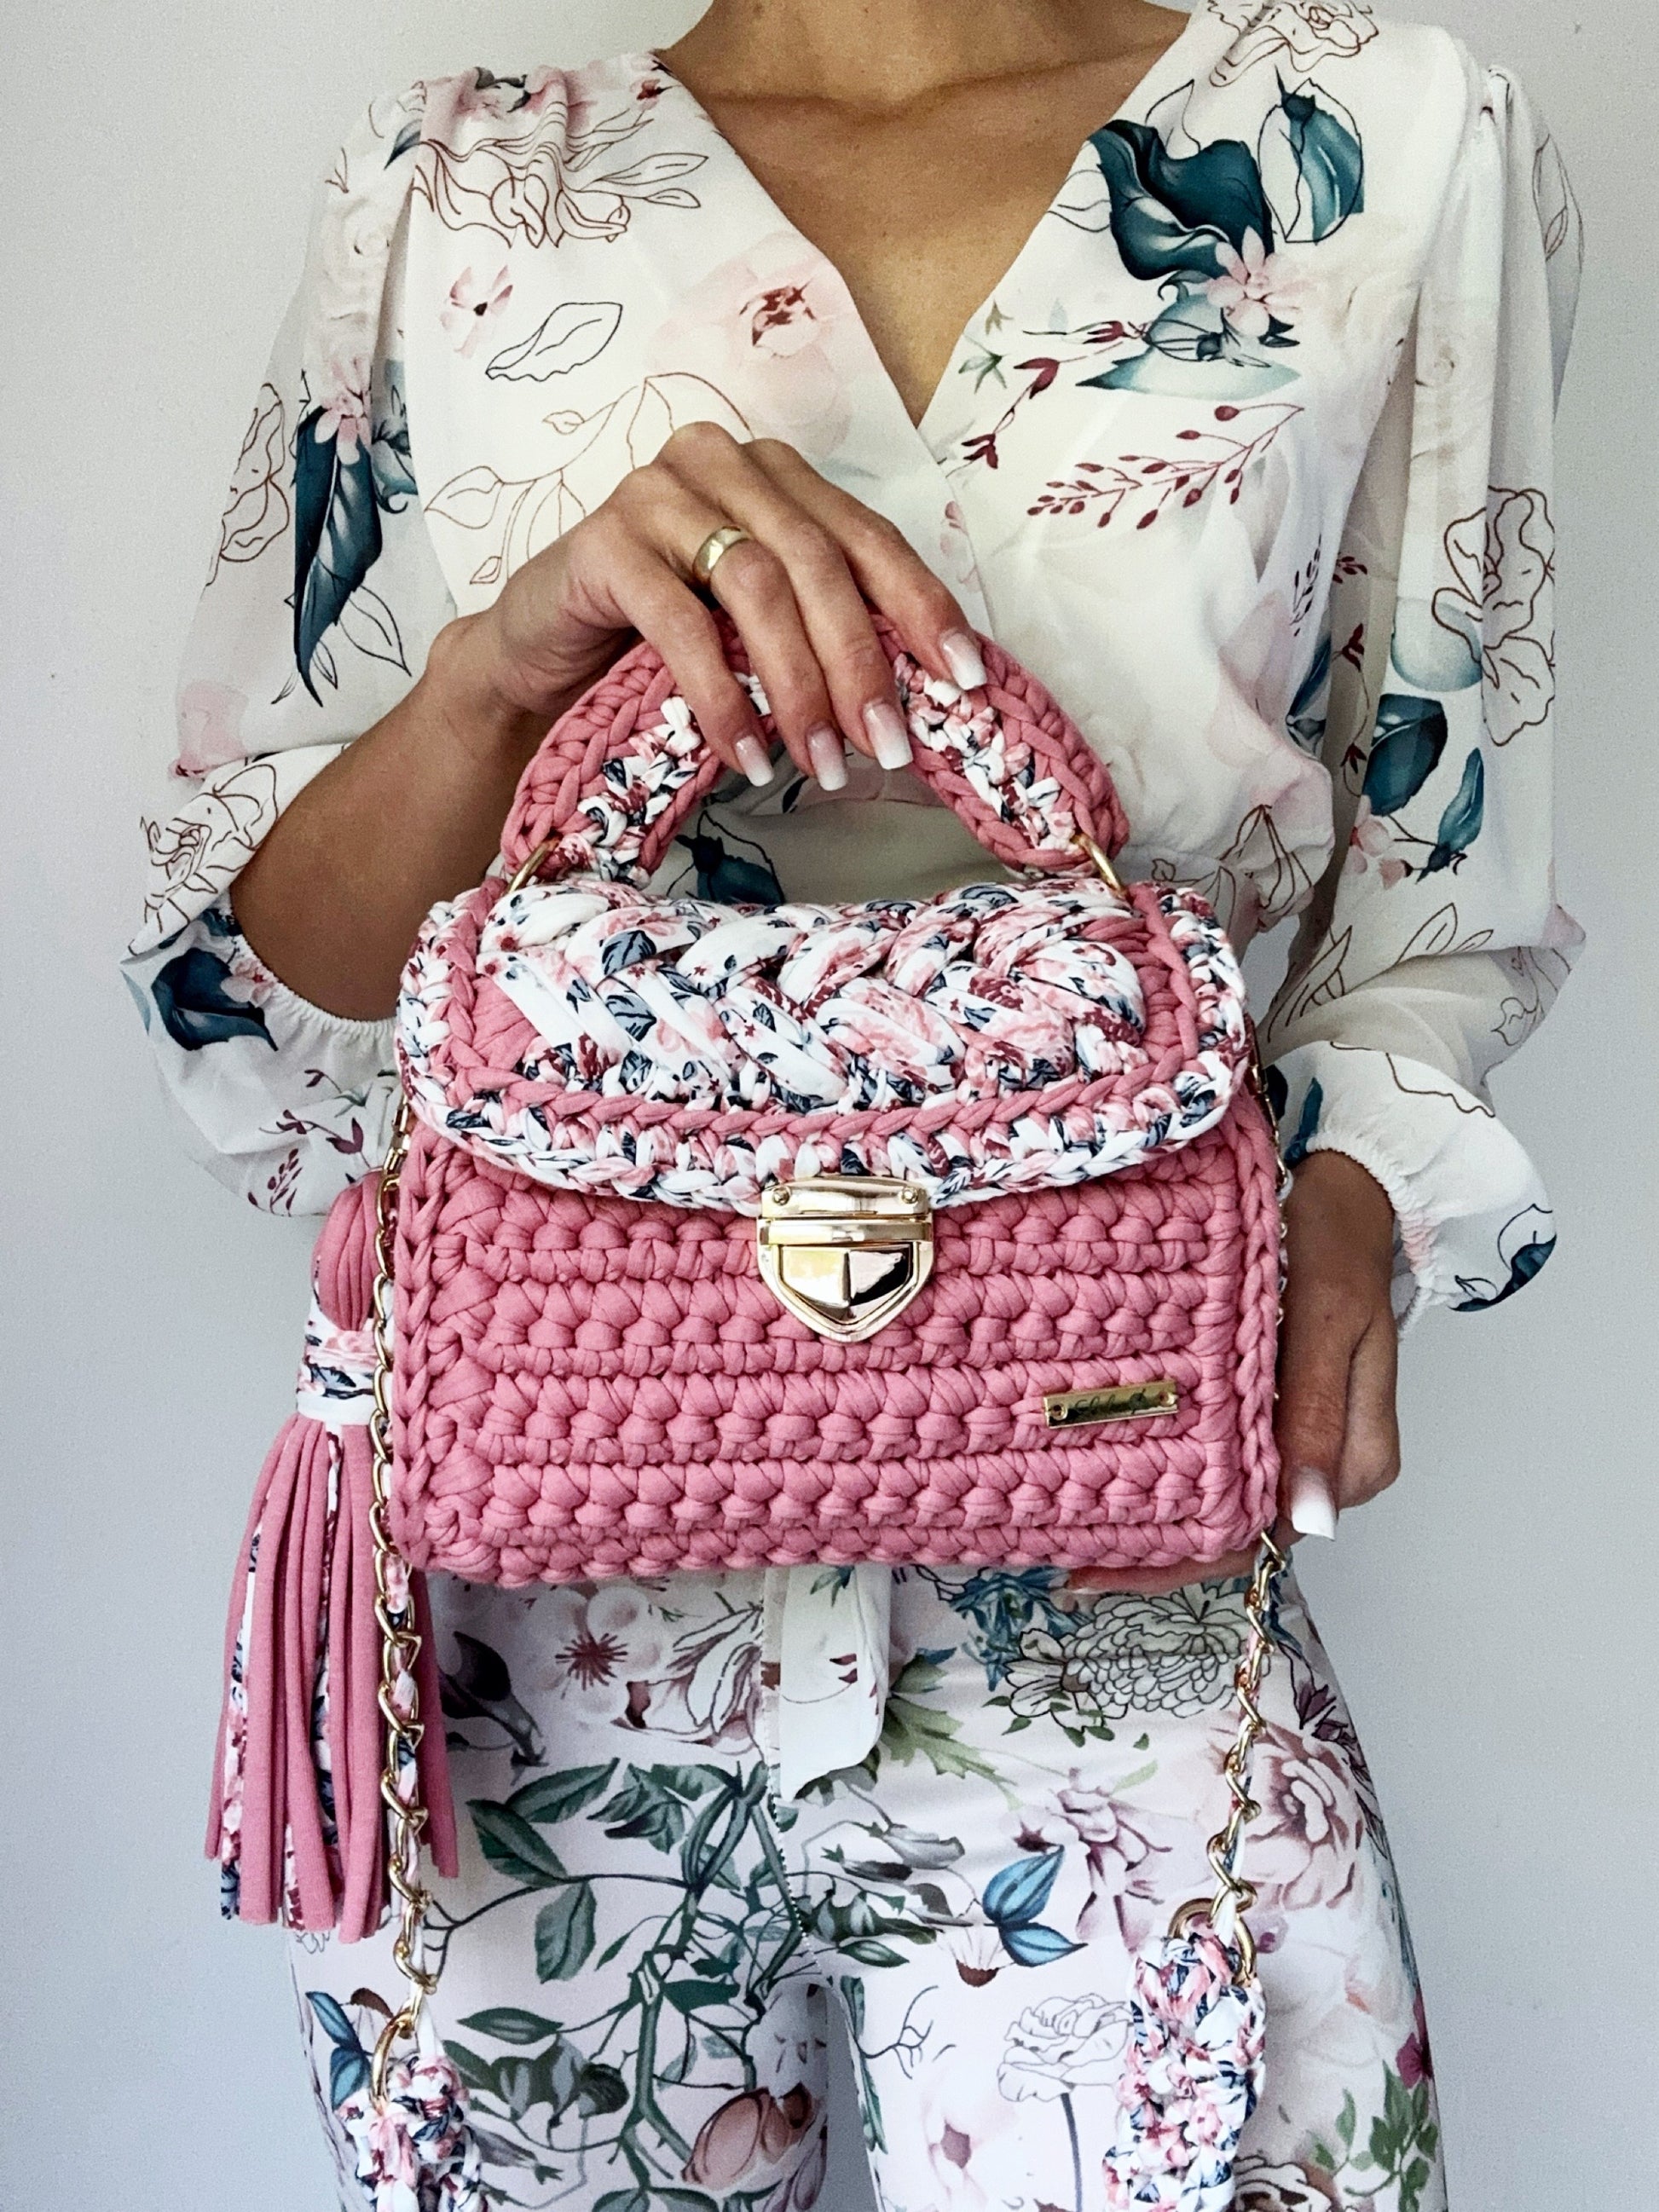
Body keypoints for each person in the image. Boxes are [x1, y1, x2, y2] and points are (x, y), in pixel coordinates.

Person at [124, 1, 1582, 2203]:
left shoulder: (1386, 140)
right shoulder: (454, 187)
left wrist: (1352, 1206)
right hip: (535, 1655)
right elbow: (253, 1023)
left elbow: (1439, 897)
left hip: (1119, 1602)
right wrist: (496, 676)